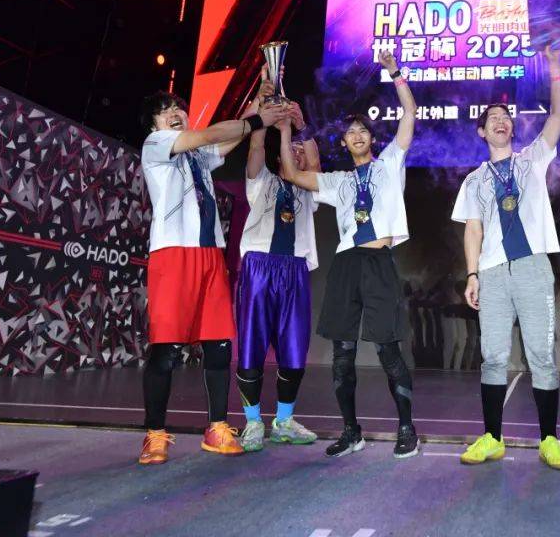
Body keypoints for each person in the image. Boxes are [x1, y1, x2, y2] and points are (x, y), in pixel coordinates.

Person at [279, 49, 419, 459]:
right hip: (346, 264)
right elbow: (291, 173)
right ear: (343, 142)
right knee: (342, 354)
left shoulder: (390, 164)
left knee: (389, 350)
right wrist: (285, 130)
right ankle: (350, 431)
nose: (357, 135)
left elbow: (409, 115)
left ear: (372, 139)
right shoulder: (338, 181)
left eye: (363, 131)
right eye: (350, 132)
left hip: (378, 263)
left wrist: (395, 73)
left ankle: (406, 428)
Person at [137, 88, 288, 465]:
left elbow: (227, 139)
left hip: (210, 255)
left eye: (178, 108)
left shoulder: (197, 156)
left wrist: (257, 99)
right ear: (154, 125)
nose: (174, 113)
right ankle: (154, 433)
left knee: (219, 344)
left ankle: (217, 427)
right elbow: (211, 134)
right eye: (165, 110)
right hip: (173, 254)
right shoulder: (157, 144)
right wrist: (259, 120)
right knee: (166, 348)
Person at [451, 46, 560, 471]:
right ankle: (492, 438)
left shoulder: (532, 160)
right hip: (492, 273)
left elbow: (558, 115)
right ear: (482, 131)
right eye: (493, 119)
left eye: (506, 117)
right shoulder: (474, 180)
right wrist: (472, 275)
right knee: (493, 357)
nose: (501, 121)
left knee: (541, 355)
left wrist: (555, 67)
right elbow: (473, 230)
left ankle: (549, 440)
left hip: (533, 268)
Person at [235, 71, 321, 451]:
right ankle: (253, 423)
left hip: (294, 270)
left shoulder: (309, 191)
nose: (298, 154)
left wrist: (297, 129)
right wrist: (263, 107)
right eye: (293, 151)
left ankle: (284, 421)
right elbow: (255, 145)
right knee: (251, 346)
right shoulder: (261, 181)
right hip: (260, 266)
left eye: (301, 151)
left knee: (294, 350)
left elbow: (314, 163)